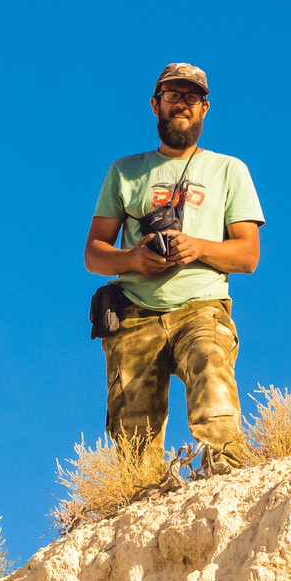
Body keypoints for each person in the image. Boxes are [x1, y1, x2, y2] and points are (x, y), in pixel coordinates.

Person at [83, 63, 266, 473]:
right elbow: (94, 253)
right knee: (133, 444)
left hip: (201, 307)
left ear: (204, 109)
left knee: (211, 378)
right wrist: (132, 259)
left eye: (191, 97)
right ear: (155, 104)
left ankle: (229, 482)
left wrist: (196, 247)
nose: (181, 104)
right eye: (172, 95)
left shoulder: (228, 170)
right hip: (134, 314)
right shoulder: (124, 171)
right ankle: (140, 514)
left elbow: (248, 256)